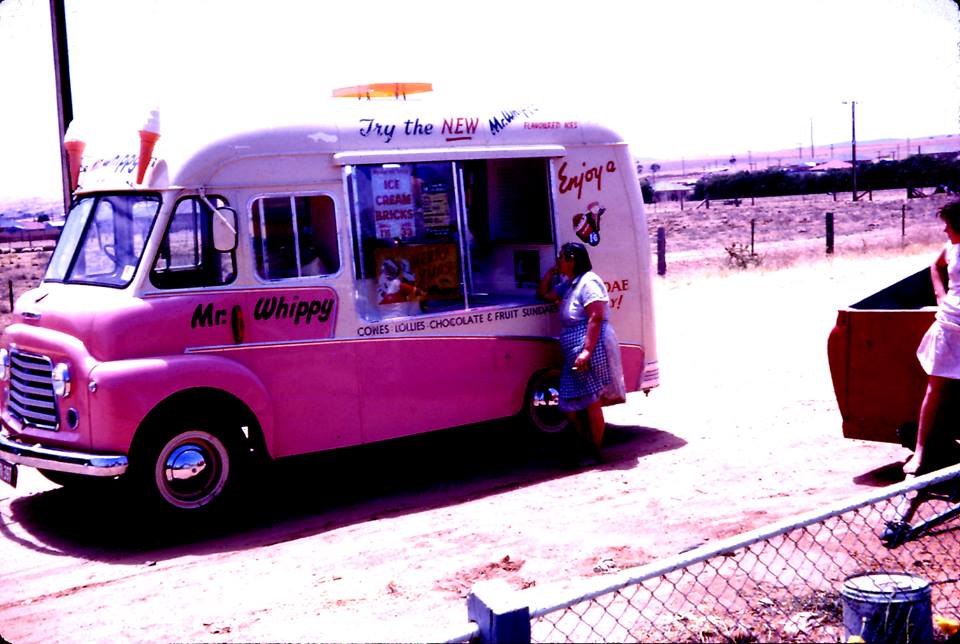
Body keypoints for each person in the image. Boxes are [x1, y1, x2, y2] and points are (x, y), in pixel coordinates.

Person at [538, 242, 626, 459]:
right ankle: (586, 443)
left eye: (561, 257)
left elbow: (596, 317)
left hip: (587, 348)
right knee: (568, 403)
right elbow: (544, 294)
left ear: (572, 259)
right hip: (574, 351)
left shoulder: (589, 282)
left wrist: (586, 351)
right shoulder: (570, 284)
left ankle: (594, 450)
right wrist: (551, 272)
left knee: (590, 401)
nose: (558, 260)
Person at [904, 200, 960, 476]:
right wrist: (940, 295)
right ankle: (921, 451)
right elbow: (934, 266)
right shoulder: (950, 249)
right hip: (950, 324)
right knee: (934, 388)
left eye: (948, 226)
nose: (945, 231)